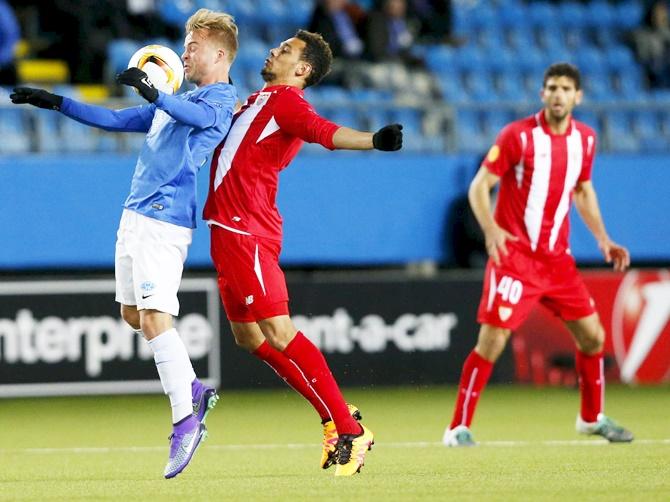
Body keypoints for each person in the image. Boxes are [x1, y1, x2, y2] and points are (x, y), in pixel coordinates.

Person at [10, 8, 238, 478]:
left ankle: (186, 421)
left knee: (156, 317)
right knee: (133, 316)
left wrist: (156, 92)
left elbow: (193, 115)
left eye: (193, 46)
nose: (185, 52)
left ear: (219, 53)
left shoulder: (219, 98)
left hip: (165, 219)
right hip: (134, 216)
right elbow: (114, 120)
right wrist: (55, 102)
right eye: (185, 44)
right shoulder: (172, 103)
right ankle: (192, 387)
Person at [203, 30, 403, 476]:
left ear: (302, 69)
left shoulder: (287, 102)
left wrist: (373, 140)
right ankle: (335, 417)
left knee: (277, 330)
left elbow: (323, 132)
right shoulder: (257, 99)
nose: (275, 49)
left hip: (247, 230)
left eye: (287, 50)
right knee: (249, 338)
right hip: (227, 230)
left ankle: (348, 429)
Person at [442, 63, 634, 447]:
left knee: (593, 338)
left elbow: (582, 190)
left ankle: (591, 418)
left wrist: (603, 238)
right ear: (542, 94)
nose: (558, 94)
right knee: (492, 343)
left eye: (565, 88)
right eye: (551, 87)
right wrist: (492, 230)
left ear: (578, 96)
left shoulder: (587, 139)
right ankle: (457, 428)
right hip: (516, 260)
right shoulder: (518, 136)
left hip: (558, 261)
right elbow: (480, 187)